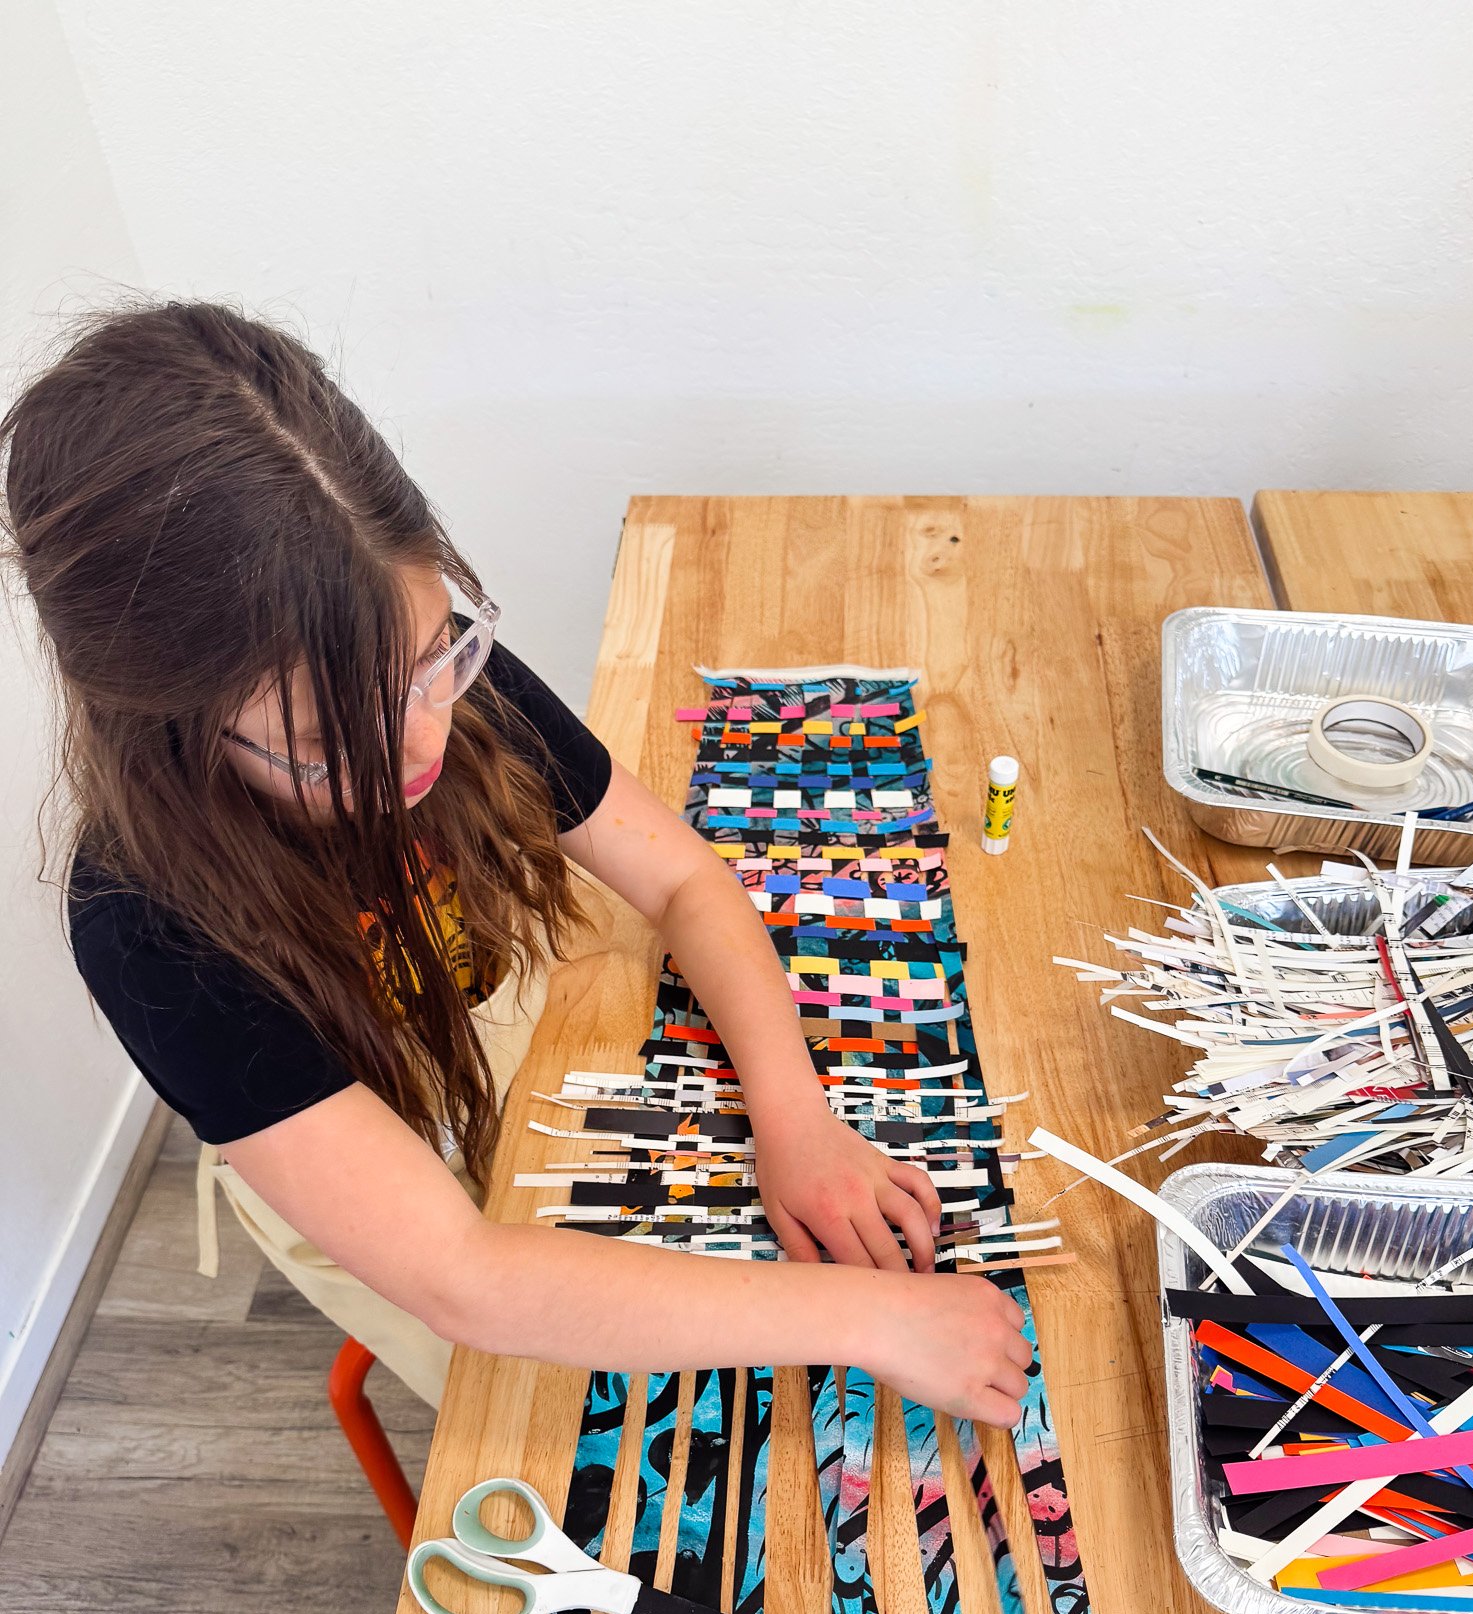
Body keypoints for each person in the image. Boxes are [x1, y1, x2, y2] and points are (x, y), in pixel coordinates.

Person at [1, 300, 1029, 1424]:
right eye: (319, 742)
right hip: (355, 1161)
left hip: (501, 1041)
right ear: (172, 724)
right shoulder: (145, 923)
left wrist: (794, 1115)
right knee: (546, 1427)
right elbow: (465, 1279)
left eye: (437, 660)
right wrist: (862, 1316)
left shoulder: (407, 669)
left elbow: (684, 879)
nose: (422, 739)